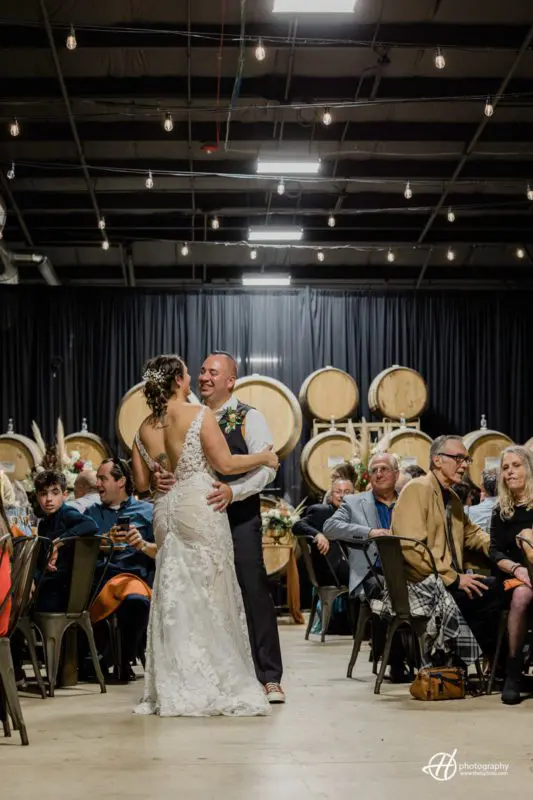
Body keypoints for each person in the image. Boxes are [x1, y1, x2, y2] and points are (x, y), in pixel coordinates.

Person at [132, 353, 279, 717]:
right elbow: (226, 464)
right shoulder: (199, 415)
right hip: (201, 507)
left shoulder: (143, 427)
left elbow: (140, 485)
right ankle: (215, 680)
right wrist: (264, 458)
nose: (199, 376)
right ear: (179, 380)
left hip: (169, 509)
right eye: (194, 371)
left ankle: (177, 680)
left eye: (211, 371)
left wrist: (155, 479)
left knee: (174, 594)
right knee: (213, 593)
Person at [392, 435, 503, 663]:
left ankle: (486, 664)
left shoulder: (451, 497)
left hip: (445, 577)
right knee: (497, 592)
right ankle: (489, 664)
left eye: (466, 459)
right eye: (458, 458)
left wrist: (504, 549)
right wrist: (453, 578)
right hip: (422, 581)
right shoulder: (416, 489)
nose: (464, 465)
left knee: (502, 588)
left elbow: (472, 534)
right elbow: (411, 547)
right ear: (437, 460)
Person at [323, 453, 409, 680]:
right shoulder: (354, 502)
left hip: (408, 567)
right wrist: (369, 533)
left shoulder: (408, 502)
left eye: (384, 469)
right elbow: (330, 527)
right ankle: (396, 661)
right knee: (389, 593)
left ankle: (431, 660)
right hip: (373, 571)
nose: (379, 474)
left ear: (396, 474)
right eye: (374, 470)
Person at [85, 458, 155, 682]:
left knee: (135, 601)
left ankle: (123, 660)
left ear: (121, 481)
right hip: (101, 581)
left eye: (103, 478)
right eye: (97, 478)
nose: (98, 484)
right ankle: (105, 659)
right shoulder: (90, 512)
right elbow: (82, 551)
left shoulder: (147, 511)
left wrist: (141, 544)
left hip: (137, 578)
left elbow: (164, 550)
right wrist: (106, 541)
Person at [489, 446, 533, 705]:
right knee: (521, 595)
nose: (510, 472)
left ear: (527, 468)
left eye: (516, 465)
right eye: (505, 468)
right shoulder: (501, 510)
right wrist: (517, 569)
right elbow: (493, 551)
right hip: (512, 577)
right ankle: (513, 672)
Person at [33, 470, 99, 612]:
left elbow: (91, 525)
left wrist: (60, 541)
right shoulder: (43, 524)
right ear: (38, 496)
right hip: (48, 581)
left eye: (54, 493)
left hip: (65, 587)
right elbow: (40, 559)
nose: (48, 499)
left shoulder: (67, 513)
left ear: (64, 495)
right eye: (43, 494)